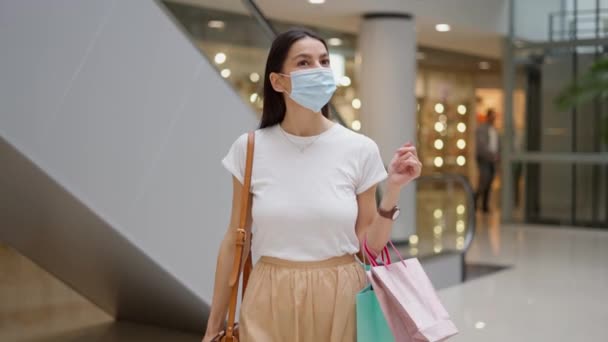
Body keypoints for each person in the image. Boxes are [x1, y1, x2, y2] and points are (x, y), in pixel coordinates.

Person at [202, 28, 422, 342]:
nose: (317, 70)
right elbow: (235, 240)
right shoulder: (249, 149)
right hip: (268, 293)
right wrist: (214, 326)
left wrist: (395, 190)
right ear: (277, 81)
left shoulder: (359, 148)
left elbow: (369, 247)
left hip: (341, 294)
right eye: (304, 63)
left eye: (323, 61)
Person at [475, 108, 500, 213]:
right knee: (483, 182)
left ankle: (485, 206)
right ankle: (474, 201)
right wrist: (490, 155)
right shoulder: (481, 129)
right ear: (488, 116)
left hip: (493, 160)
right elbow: (482, 146)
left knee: (490, 182)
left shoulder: (494, 129)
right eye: (492, 116)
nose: (493, 118)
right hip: (484, 159)